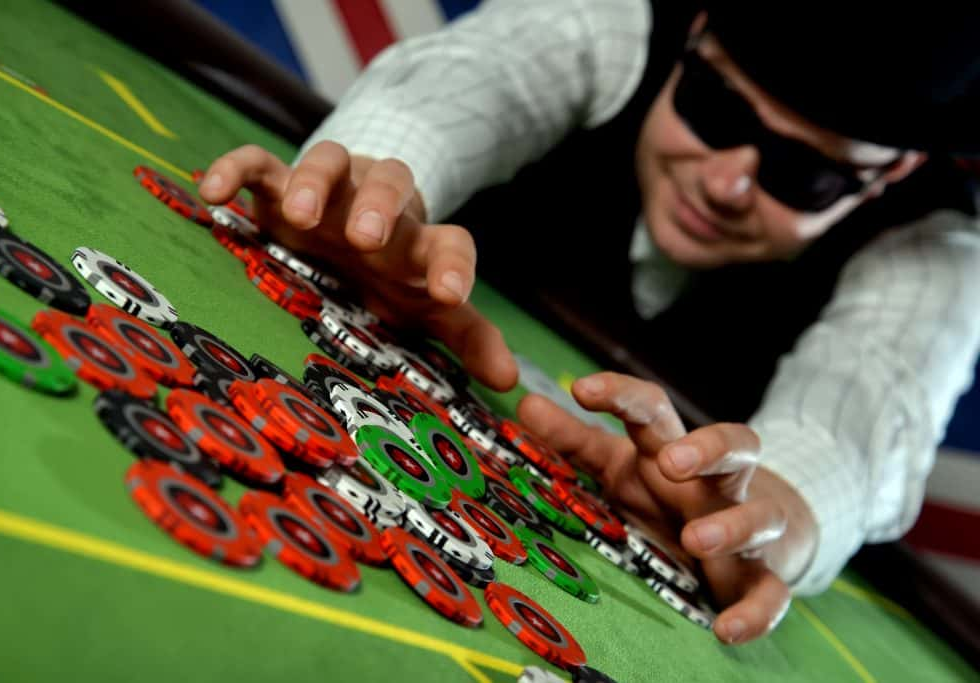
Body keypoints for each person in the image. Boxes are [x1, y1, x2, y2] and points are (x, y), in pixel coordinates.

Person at [197, 0, 980, 645]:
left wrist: (759, 520)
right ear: (698, 30)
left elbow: (861, 418)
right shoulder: (615, 20)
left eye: (803, 172)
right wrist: (371, 201)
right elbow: (458, 87)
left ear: (894, 173)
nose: (728, 182)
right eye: (714, 107)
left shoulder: (936, 254)